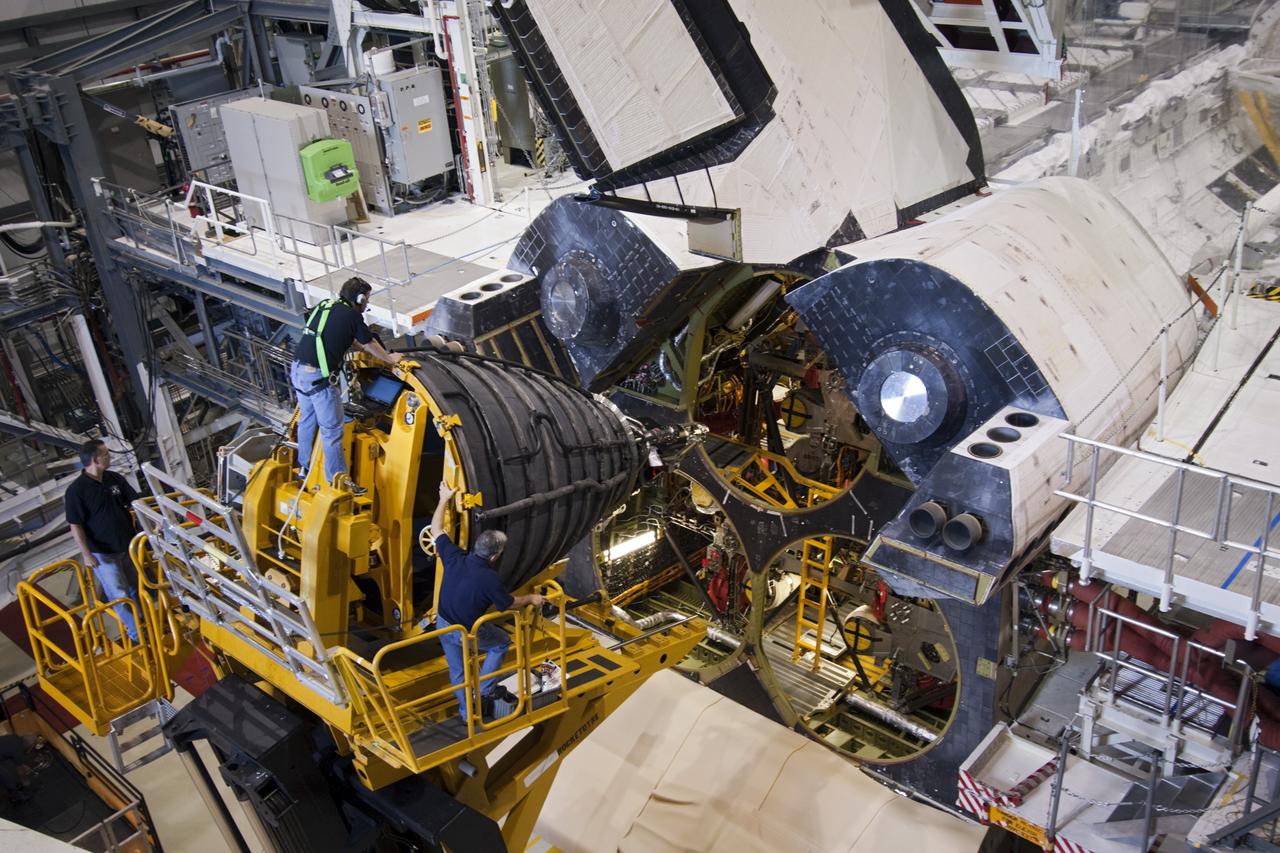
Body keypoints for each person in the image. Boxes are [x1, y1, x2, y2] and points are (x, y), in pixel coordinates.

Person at [430, 480, 547, 719]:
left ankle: (467, 713)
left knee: (458, 671)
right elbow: (508, 603)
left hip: (442, 623)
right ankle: (484, 690)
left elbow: (436, 529)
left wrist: (444, 498)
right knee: (501, 642)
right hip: (465, 630)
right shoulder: (489, 579)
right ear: (494, 556)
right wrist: (531, 598)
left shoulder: (454, 557)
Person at [291, 276, 404, 486]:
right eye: (367, 299)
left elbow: (336, 334)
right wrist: (389, 359)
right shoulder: (353, 316)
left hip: (298, 371)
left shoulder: (327, 305)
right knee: (332, 431)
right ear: (360, 298)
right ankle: (337, 479)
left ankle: (303, 467)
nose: (367, 304)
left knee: (307, 418)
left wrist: (360, 346)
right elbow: (368, 342)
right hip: (319, 379)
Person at [65, 439, 140, 642]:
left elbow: (135, 503)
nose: (110, 457)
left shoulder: (113, 479)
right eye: (106, 454)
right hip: (103, 554)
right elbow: (75, 525)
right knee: (120, 595)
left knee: (136, 589)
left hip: (127, 546)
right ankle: (137, 636)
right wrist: (86, 554)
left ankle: (144, 623)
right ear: (95, 459)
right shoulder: (77, 491)